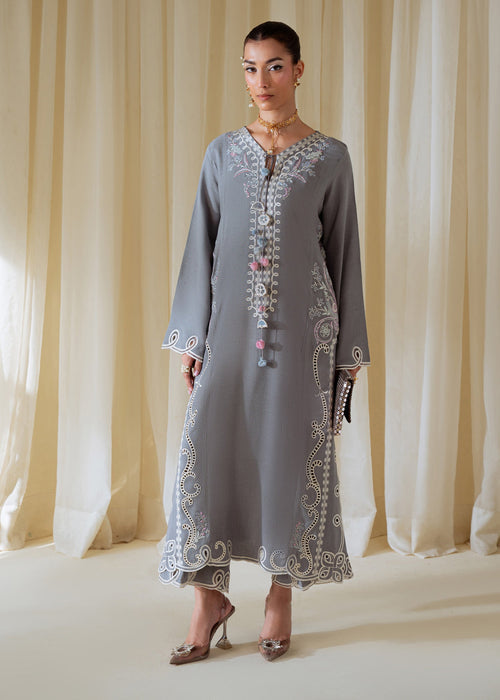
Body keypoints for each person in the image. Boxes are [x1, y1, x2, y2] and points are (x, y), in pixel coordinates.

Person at [159, 20, 370, 664]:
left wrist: (347, 353)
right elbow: (201, 245)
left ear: (298, 70)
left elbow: (343, 254)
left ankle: (281, 595)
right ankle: (209, 600)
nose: (261, 81)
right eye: (250, 68)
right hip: (228, 332)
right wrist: (193, 338)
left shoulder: (330, 157)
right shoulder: (222, 153)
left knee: (287, 456)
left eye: (274, 66)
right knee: (206, 453)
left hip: (305, 336)